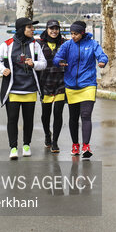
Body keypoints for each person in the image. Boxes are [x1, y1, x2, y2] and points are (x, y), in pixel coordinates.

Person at [0, 17, 46, 160]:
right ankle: (13, 148)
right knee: (12, 119)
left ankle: (27, 145)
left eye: (32, 27)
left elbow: (43, 63)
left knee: (28, 120)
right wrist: (2, 69)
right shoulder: (7, 44)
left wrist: (33, 64)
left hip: (30, 89)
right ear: (22, 29)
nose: (33, 30)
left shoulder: (35, 45)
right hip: (12, 89)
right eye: (30, 27)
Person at [53, 21, 108, 158]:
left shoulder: (92, 44)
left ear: (82, 32)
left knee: (85, 115)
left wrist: (102, 61)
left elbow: (102, 55)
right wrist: (59, 61)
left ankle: (86, 146)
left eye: (76, 34)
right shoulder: (67, 45)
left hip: (88, 84)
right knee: (73, 117)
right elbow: (57, 57)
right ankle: (75, 145)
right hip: (71, 85)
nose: (73, 36)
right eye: (71, 33)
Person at [37, 20, 66, 153]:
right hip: (45, 82)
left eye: (56, 28)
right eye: (51, 28)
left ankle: (55, 142)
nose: (54, 31)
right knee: (46, 114)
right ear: (47, 29)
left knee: (58, 113)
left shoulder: (64, 43)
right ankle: (47, 135)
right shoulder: (39, 44)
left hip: (61, 82)